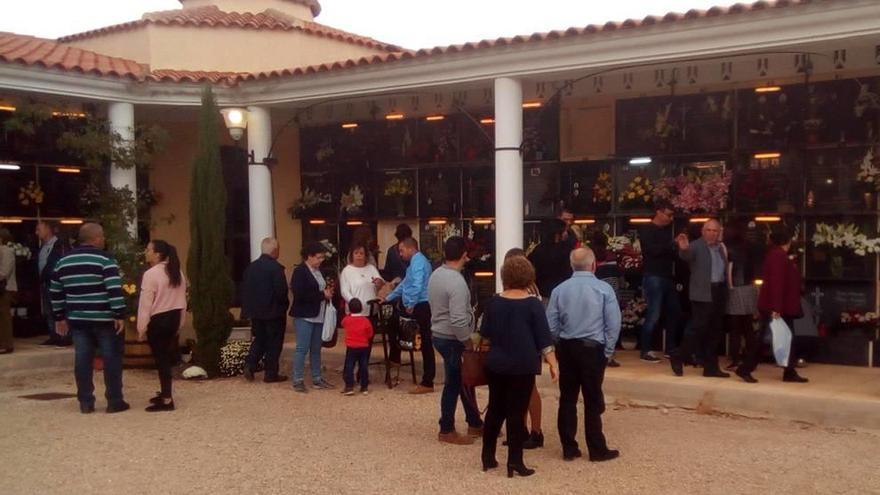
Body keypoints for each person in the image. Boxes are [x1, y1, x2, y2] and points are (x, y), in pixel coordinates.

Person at [480, 256, 558, 477]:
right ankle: (515, 461)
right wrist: (553, 364)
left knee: (495, 409)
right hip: (523, 364)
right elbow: (544, 339)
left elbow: (485, 336)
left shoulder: (493, 302)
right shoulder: (533, 304)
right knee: (516, 412)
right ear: (528, 277)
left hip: (496, 362)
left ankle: (487, 456)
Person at [547, 248, 621, 463]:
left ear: (571, 266)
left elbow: (551, 324)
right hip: (593, 348)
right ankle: (597, 449)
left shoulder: (559, 290)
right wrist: (607, 351)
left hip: (568, 347)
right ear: (593, 264)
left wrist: (560, 341)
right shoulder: (604, 289)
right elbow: (613, 324)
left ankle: (569, 448)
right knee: (592, 398)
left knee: (567, 398)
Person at [50, 223, 129, 414]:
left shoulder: (63, 261)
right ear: (96, 238)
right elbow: (113, 288)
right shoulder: (105, 259)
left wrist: (59, 316)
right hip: (104, 319)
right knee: (111, 359)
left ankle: (85, 401)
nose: (104, 240)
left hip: (78, 319)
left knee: (82, 360)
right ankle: (114, 400)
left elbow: (55, 290)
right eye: (102, 237)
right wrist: (119, 314)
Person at [428, 236, 483, 445]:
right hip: (452, 337)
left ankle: (475, 422)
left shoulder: (436, 275)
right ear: (464, 255)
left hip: (440, 333)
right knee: (453, 382)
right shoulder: (457, 282)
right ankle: (447, 428)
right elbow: (459, 319)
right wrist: (467, 341)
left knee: (463, 381)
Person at [738, 226, 808, 383]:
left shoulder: (777, 255)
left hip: (779, 306)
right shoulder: (778, 256)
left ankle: (789, 370)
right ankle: (746, 368)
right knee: (766, 339)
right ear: (788, 240)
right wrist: (776, 308)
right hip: (777, 307)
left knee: (784, 337)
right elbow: (777, 283)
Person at [670, 219, 729, 378]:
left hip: (718, 291)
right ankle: (679, 355)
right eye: (708, 230)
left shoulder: (720, 248)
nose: (712, 233)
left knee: (714, 331)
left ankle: (711, 367)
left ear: (719, 232)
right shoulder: (697, 245)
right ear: (703, 231)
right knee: (698, 328)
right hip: (703, 292)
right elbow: (686, 255)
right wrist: (682, 248)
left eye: (715, 231)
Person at [136, 239, 186, 412]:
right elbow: (182, 301)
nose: (146, 252)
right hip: (173, 318)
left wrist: (141, 328)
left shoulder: (151, 274)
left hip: (158, 320)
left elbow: (145, 304)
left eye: (148, 249)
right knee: (165, 357)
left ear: (157, 254)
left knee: (161, 359)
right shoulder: (176, 272)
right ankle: (165, 392)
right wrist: (180, 323)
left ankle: (166, 398)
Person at [502, 248, 544, 449]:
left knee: (529, 390)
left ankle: (535, 431)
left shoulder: (529, 291)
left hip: (526, 346)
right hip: (523, 345)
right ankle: (523, 429)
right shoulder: (530, 289)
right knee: (521, 390)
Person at [381, 237, 435, 394]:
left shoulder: (418, 262)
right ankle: (396, 357)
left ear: (411, 249)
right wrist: (388, 298)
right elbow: (404, 284)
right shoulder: (414, 263)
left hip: (420, 305)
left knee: (425, 341)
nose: (400, 254)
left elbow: (417, 284)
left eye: (401, 250)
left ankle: (427, 380)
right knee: (395, 325)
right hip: (416, 304)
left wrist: (410, 303)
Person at [241, 237, 289, 384]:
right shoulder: (276, 268)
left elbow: (245, 290)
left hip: (256, 312)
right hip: (273, 312)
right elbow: (281, 292)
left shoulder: (251, 268)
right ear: (275, 251)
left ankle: (250, 363)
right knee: (274, 343)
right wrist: (284, 305)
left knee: (260, 339)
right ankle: (271, 373)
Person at [638, 200, 681, 363]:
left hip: (667, 276)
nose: (670, 219)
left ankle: (670, 347)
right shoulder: (647, 230)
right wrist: (672, 245)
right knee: (654, 314)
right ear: (659, 212)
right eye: (668, 215)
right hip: (653, 275)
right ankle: (645, 349)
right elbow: (652, 251)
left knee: (674, 312)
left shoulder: (667, 231)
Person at [289, 241, 335, 393]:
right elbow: (300, 294)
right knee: (302, 348)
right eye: (318, 257)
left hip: (318, 314)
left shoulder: (318, 271)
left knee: (316, 349)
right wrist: (322, 295)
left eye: (322, 257)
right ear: (309, 256)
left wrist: (326, 294)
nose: (321, 260)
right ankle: (298, 379)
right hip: (304, 315)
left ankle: (317, 377)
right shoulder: (300, 272)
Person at [723, 223, 759, 373]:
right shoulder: (750, 247)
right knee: (748, 327)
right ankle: (752, 359)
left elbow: (729, 269)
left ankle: (736, 360)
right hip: (749, 288)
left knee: (735, 328)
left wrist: (729, 287)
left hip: (736, 289)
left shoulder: (728, 248)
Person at [382, 223, 412, 366]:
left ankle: (395, 355)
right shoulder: (414, 253)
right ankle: (410, 346)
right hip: (410, 294)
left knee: (392, 324)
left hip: (395, 292)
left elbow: (387, 273)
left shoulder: (391, 251)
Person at [36, 220, 70, 347]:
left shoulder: (59, 245)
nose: (37, 233)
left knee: (60, 308)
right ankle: (54, 335)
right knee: (49, 310)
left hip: (56, 282)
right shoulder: (43, 246)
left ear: (48, 229)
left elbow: (56, 263)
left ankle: (64, 336)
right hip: (45, 282)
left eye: (39, 229)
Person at [592, 234, 623, 368]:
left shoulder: (591, 257)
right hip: (612, 290)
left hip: (595, 294)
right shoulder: (611, 256)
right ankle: (609, 355)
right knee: (610, 322)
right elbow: (619, 275)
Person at [528, 219, 572, 300]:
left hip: (542, 293)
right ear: (557, 234)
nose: (566, 233)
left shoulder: (538, 250)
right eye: (564, 231)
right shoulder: (566, 251)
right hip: (562, 294)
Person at [341, 298, 374, 396]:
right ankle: (364, 386)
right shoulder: (365, 320)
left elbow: (342, 323)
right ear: (361, 308)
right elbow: (370, 333)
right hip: (363, 346)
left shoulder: (347, 319)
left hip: (351, 346)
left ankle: (349, 386)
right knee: (363, 366)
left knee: (349, 366)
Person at [340, 244, 384, 316]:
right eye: (356, 253)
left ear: (365, 256)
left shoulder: (371, 268)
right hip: (355, 314)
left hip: (372, 311)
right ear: (352, 255)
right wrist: (354, 303)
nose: (359, 255)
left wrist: (379, 283)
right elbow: (344, 291)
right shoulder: (347, 271)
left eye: (361, 253)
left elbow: (380, 283)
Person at [0, 228, 17, 355]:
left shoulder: (7, 251)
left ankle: (7, 344)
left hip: (5, 287)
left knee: (4, 316)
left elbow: (4, 272)